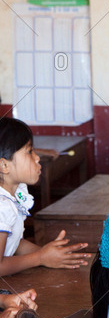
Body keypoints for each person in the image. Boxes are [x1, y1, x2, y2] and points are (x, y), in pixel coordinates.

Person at [0, 117, 90, 275]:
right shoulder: (2, 206)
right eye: (29, 151)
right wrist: (40, 257)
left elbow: (13, 243)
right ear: (4, 165)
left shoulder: (15, 193)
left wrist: (49, 254)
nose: (37, 157)